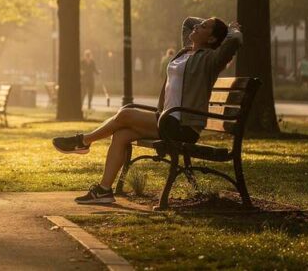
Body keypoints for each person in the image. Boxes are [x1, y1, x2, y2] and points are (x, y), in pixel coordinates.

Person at [52, 17, 241, 204]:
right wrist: (208, 25)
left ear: (212, 39)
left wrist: (230, 29)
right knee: (121, 134)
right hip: (167, 119)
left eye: (204, 26)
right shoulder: (185, 51)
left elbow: (234, 41)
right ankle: (103, 191)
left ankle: (83, 141)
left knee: (125, 114)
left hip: (183, 126)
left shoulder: (210, 60)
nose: (198, 26)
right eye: (201, 24)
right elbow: (187, 22)